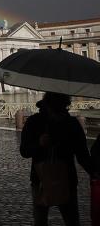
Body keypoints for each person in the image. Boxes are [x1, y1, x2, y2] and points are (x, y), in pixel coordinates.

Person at [20, 92, 92, 226]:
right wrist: (39, 144)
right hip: (43, 180)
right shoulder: (35, 122)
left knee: (69, 220)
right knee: (44, 220)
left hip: (62, 180)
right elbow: (24, 151)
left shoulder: (71, 124)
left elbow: (82, 155)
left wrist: (94, 173)